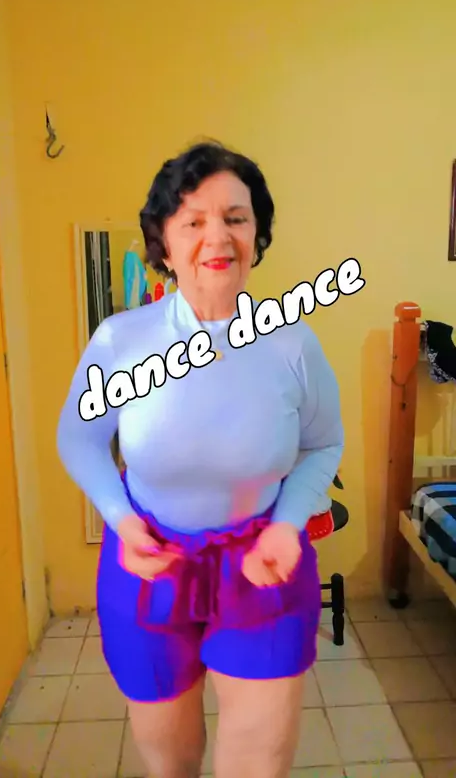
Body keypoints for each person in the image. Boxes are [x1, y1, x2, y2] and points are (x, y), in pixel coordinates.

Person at [57, 140, 344, 778]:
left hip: (263, 567)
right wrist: (121, 520)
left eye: (236, 218)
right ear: (163, 243)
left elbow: (324, 442)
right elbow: (78, 438)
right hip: (149, 567)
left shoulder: (292, 343)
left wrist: (288, 523)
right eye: (193, 221)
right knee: (172, 760)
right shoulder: (122, 341)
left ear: (257, 235)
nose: (218, 237)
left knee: (258, 762)